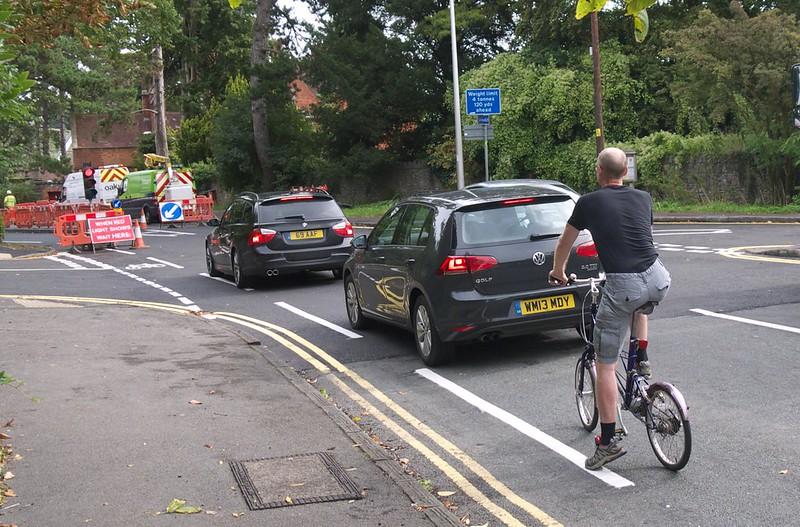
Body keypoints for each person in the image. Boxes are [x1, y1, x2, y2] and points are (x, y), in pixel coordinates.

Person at [548, 147, 671, 470]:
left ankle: (607, 441)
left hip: (624, 283)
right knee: (639, 303)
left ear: (599, 171)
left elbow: (565, 242)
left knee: (604, 364)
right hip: (658, 277)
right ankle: (641, 362)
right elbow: (638, 237)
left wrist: (558, 271)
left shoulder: (588, 202)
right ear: (625, 172)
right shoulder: (643, 197)